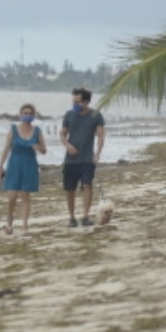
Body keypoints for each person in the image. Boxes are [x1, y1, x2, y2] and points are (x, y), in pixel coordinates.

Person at [60, 87, 105, 227]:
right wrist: (68, 146)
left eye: (78, 102)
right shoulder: (69, 115)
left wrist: (97, 153)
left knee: (87, 184)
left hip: (87, 158)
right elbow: (62, 134)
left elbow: (100, 135)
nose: (75, 104)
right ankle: (72, 217)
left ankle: (85, 215)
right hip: (70, 160)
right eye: (74, 101)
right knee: (69, 188)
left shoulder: (95, 115)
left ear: (86, 101)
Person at [0, 103, 47, 234]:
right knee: (12, 196)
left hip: (29, 163)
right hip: (14, 163)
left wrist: (39, 147)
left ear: (33, 115)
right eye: (25, 113)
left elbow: (44, 150)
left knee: (25, 195)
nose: (27, 115)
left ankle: (25, 226)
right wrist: (0, 166)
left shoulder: (37, 131)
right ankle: (9, 222)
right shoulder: (14, 130)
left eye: (30, 113)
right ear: (20, 115)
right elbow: (6, 148)